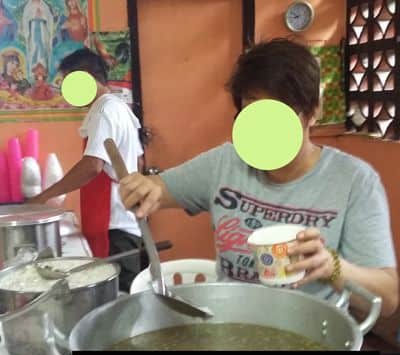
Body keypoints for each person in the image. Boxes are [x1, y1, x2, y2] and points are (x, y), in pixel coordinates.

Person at [119, 39, 398, 317]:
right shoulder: (224, 163)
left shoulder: (355, 181)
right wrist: (142, 188)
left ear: (314, 111)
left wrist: (332, 266)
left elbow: (388, 298)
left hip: (312, 335)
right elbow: (158, 188)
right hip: (231, 328)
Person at [28, 48, 148, 292]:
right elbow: (140, 162)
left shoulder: (105, 111)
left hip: (116, 227)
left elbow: (92, 167)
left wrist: (44, 196)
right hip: (125, 222)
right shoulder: (118, 107)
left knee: (119, 301)